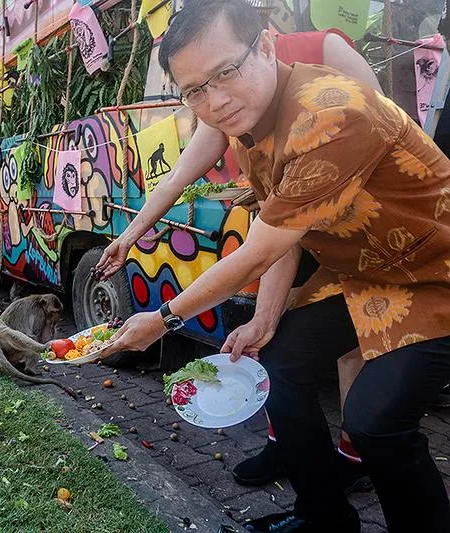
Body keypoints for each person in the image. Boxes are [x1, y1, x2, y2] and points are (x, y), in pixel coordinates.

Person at [97, 2, 450, 532]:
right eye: (195, 90)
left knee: (375, 421)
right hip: (367, 271)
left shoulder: (329, 112)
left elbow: (258, 250)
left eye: (225, 72)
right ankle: (324, 515)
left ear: (265, 43)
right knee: (278, 361)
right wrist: (263, 319)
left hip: (434, 271)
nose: (213, 101)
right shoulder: (255, 117)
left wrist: (163, 319)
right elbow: (285, 225)